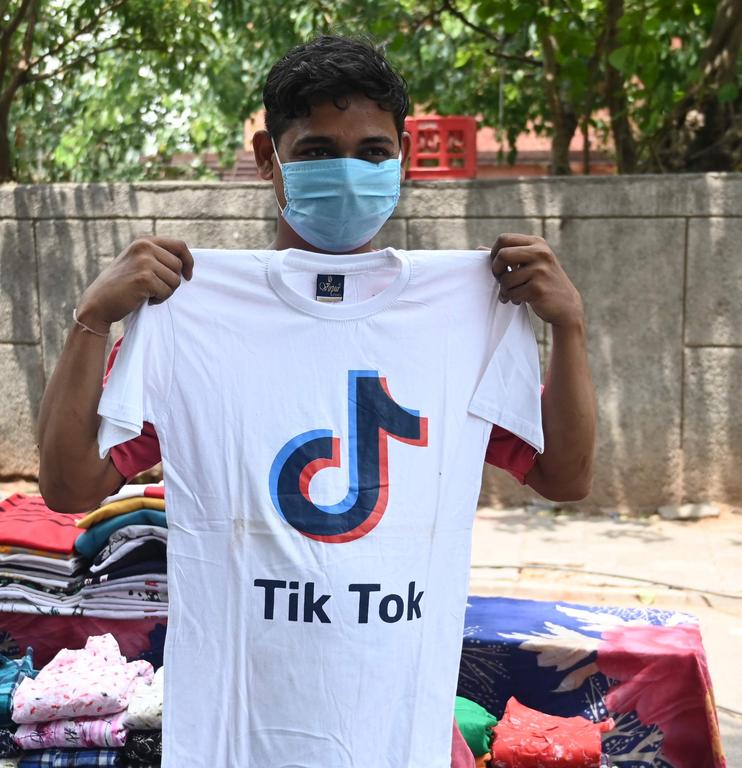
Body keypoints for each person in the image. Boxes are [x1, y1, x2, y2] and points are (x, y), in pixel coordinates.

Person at [37, 35, 595, 767]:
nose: (348, 171)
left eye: (371, 151)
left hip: (397, 723)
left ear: (404, 158)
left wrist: (570, 328)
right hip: (249, 726)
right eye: (317, 150)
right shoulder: (195, 312)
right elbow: (69, 485)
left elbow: (566, 477)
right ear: (268, 157)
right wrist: (92, 319)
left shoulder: (459, 317)